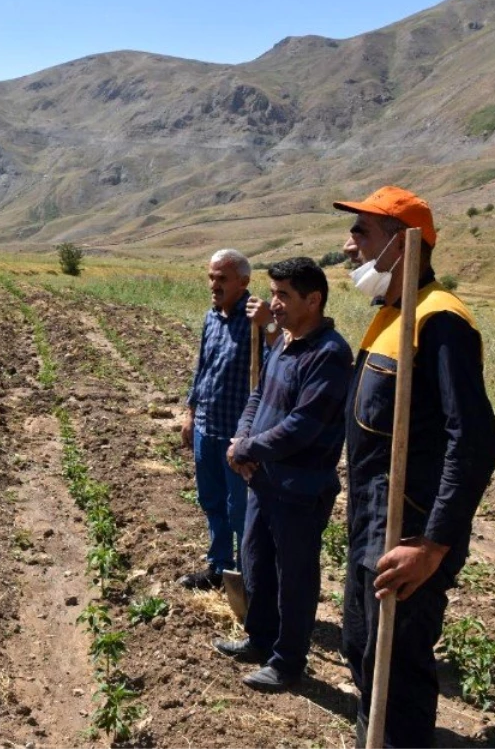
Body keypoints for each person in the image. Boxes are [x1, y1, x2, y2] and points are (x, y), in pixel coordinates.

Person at [335, 186, 495, 747]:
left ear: (401, 245)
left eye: (362, 233)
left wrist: (432, 546)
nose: (349, 245)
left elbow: (474, 440)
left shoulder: (441, 320)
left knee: (397, 675)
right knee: (361, 650)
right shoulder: (391, 313)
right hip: (370, 522)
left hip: (408, 532)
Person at [212, 257, 352, 692]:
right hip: (264, 479)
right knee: (258, 565)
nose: (273, 304)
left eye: (283, 295)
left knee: (294, 577)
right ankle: (260, 639)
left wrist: (246, 449)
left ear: (314, 300)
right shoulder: (286, 341)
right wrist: (241, 438)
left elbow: (302, 427)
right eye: (272, 293)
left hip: (300, 488)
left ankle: (288, 660)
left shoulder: (329, 354)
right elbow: (258, 397)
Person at [180, 249, 280, 589]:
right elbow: (202, 368)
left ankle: (246, 574)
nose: (214, 284)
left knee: (240, 508)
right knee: (211, 500)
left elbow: (281, 352)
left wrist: (268, 323)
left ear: (244, 282)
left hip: (238, 436)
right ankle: (218, 566)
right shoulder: (212, 317)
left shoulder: (256, 320)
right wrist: (191, 414)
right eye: (211, 277)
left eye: (222, 279)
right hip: (206, 426)